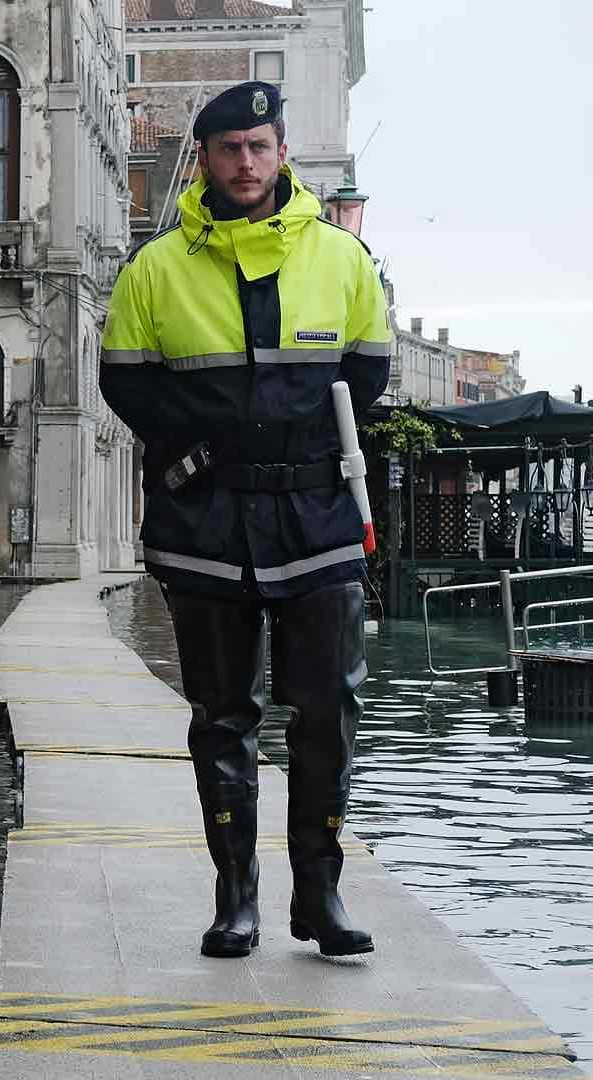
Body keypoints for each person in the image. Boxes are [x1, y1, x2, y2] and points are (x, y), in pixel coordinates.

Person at [99, 82, 391, 959]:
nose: (246, 163)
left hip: (318, 519)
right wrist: (197, 450)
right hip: (208, 522)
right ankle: (237, 900)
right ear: (208, 157)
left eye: (260, 147)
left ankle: (321, 897)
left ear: (282, 153)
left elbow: (368, 373)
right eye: (230, 149)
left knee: (326, 712)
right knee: (222, 715)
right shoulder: (153, 271)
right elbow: (126, 381)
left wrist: (298, 445)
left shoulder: (341, 260)